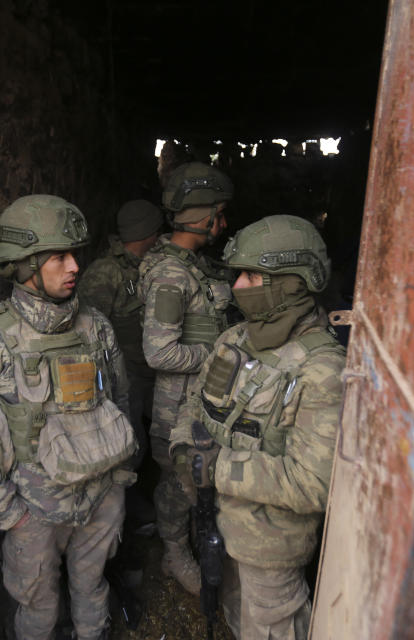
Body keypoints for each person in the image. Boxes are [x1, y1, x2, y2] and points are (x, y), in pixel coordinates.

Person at [0, 195, 136, 640]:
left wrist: (121, 477)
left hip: (101, 495)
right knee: (38, 608)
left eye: (75, 255)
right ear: (25, 265)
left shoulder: (97, 327)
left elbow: (122, 400)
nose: (74, 267)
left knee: (92, 591)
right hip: (33, 514)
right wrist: (11, 513)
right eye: (59, 257)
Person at [170, 215, 346, 639]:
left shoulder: (322, 370)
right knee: (231, 610)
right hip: (215, 517)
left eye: (251, 275)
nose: (237, 287)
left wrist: (216, 467)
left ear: (290, 283)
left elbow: (313, 483)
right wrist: (181, 447)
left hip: (269, 547)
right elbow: (196, 406)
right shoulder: (233, 339)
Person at [138, 161, 234, 595]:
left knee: (200, 482)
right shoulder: (171, 274)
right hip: (178, 403)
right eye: (220, 212)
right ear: (203, 216)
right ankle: (175, 554)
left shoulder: (193, 264)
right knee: (179, 485)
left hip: (203, 398)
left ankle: (197, 544)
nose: (224, 222)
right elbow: (160, 352)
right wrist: (219, 356)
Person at [78, 199, 164, 465]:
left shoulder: (152, 264)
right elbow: (87, 329)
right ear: (148, 234)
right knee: (130, 445)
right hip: (124, 376)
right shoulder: (106, 272)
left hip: (154, 370)